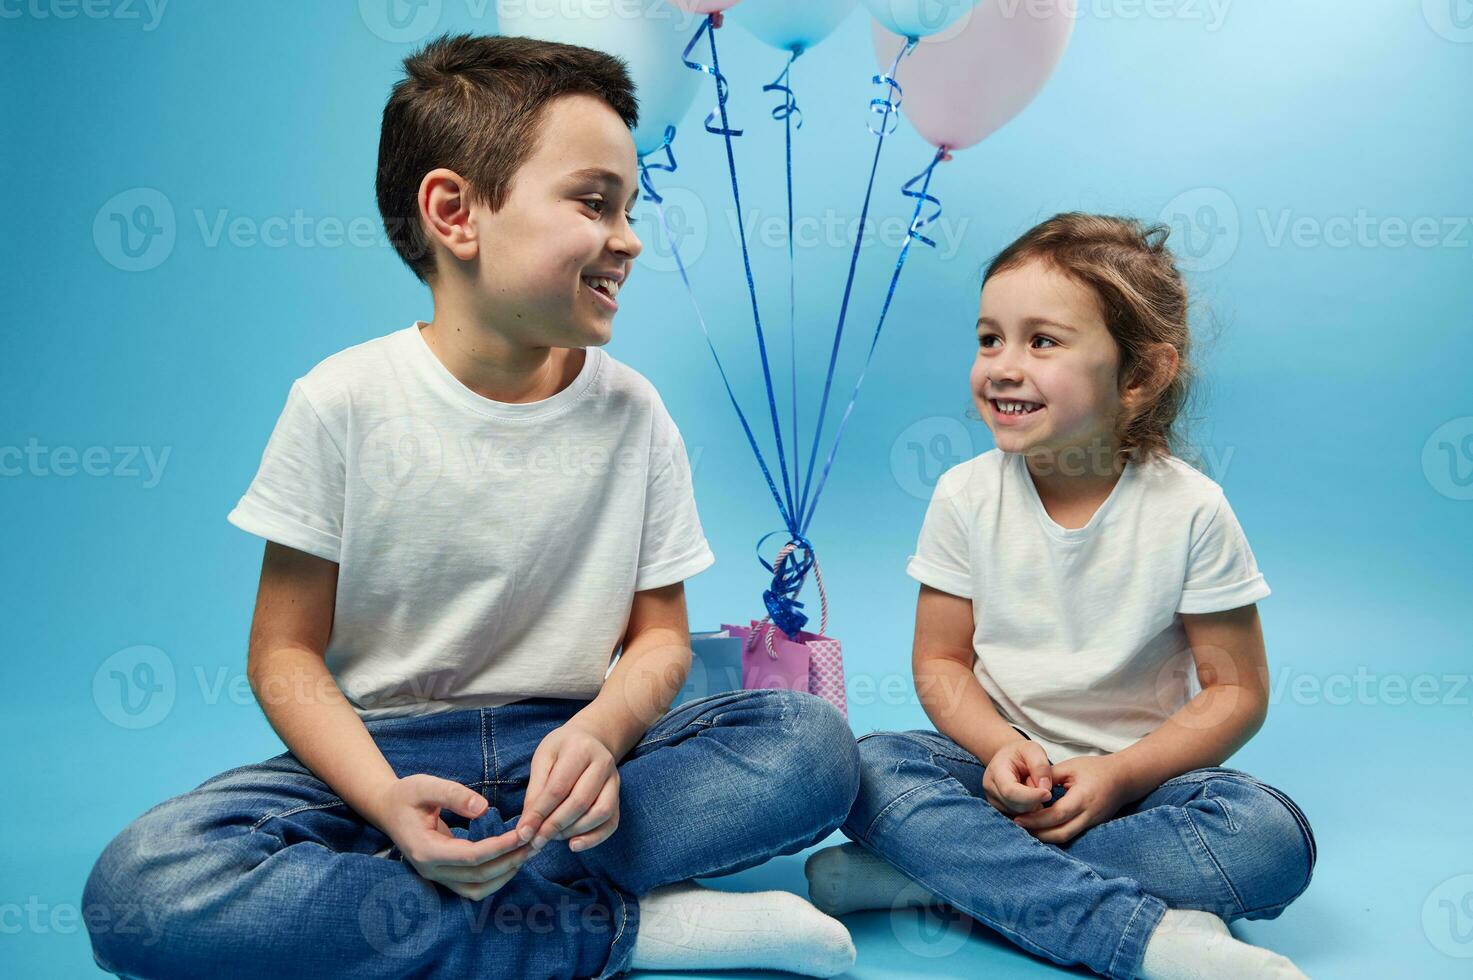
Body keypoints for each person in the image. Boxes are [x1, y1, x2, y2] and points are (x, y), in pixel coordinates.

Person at [82, 33, 860, 980]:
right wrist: (379, 796)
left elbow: (658, 641)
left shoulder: (634, 412)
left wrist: (600, 736)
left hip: (570, 756)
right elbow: (282, 652)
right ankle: (617, 927)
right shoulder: (341, 402)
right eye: (592, 202)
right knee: (140, 891)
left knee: (809, 743)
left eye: (630, 207)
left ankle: (426, 894)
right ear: (455, 211)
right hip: (382, 756)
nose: (629, 237)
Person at [804, 213, 1317, 979]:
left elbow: (1235, 691)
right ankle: (1139, 933)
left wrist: (1121, 776)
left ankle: (937, 878)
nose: (1004, 366)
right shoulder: (963, 495)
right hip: (990, 780)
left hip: (1146, 787)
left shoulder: (1190, 509)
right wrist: (997, 747)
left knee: (1268, 838)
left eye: (1041, 341)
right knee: (863, 767)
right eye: (989, 339)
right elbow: (942, 662)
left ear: (1139, 376)